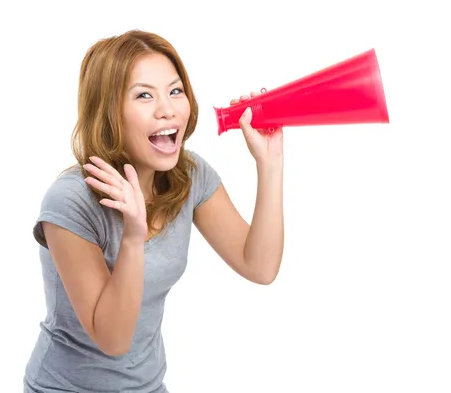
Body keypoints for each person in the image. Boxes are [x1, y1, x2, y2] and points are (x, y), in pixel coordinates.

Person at [23, 29, 285, 393]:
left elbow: (258, 266)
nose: (168, 109)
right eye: (144, 95)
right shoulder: (70, 202)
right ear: (109, 111)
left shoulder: (189, 176)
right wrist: (133, 235)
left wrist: (269, 165)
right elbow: (112, 340)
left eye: (175, 91)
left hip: (147, 386)